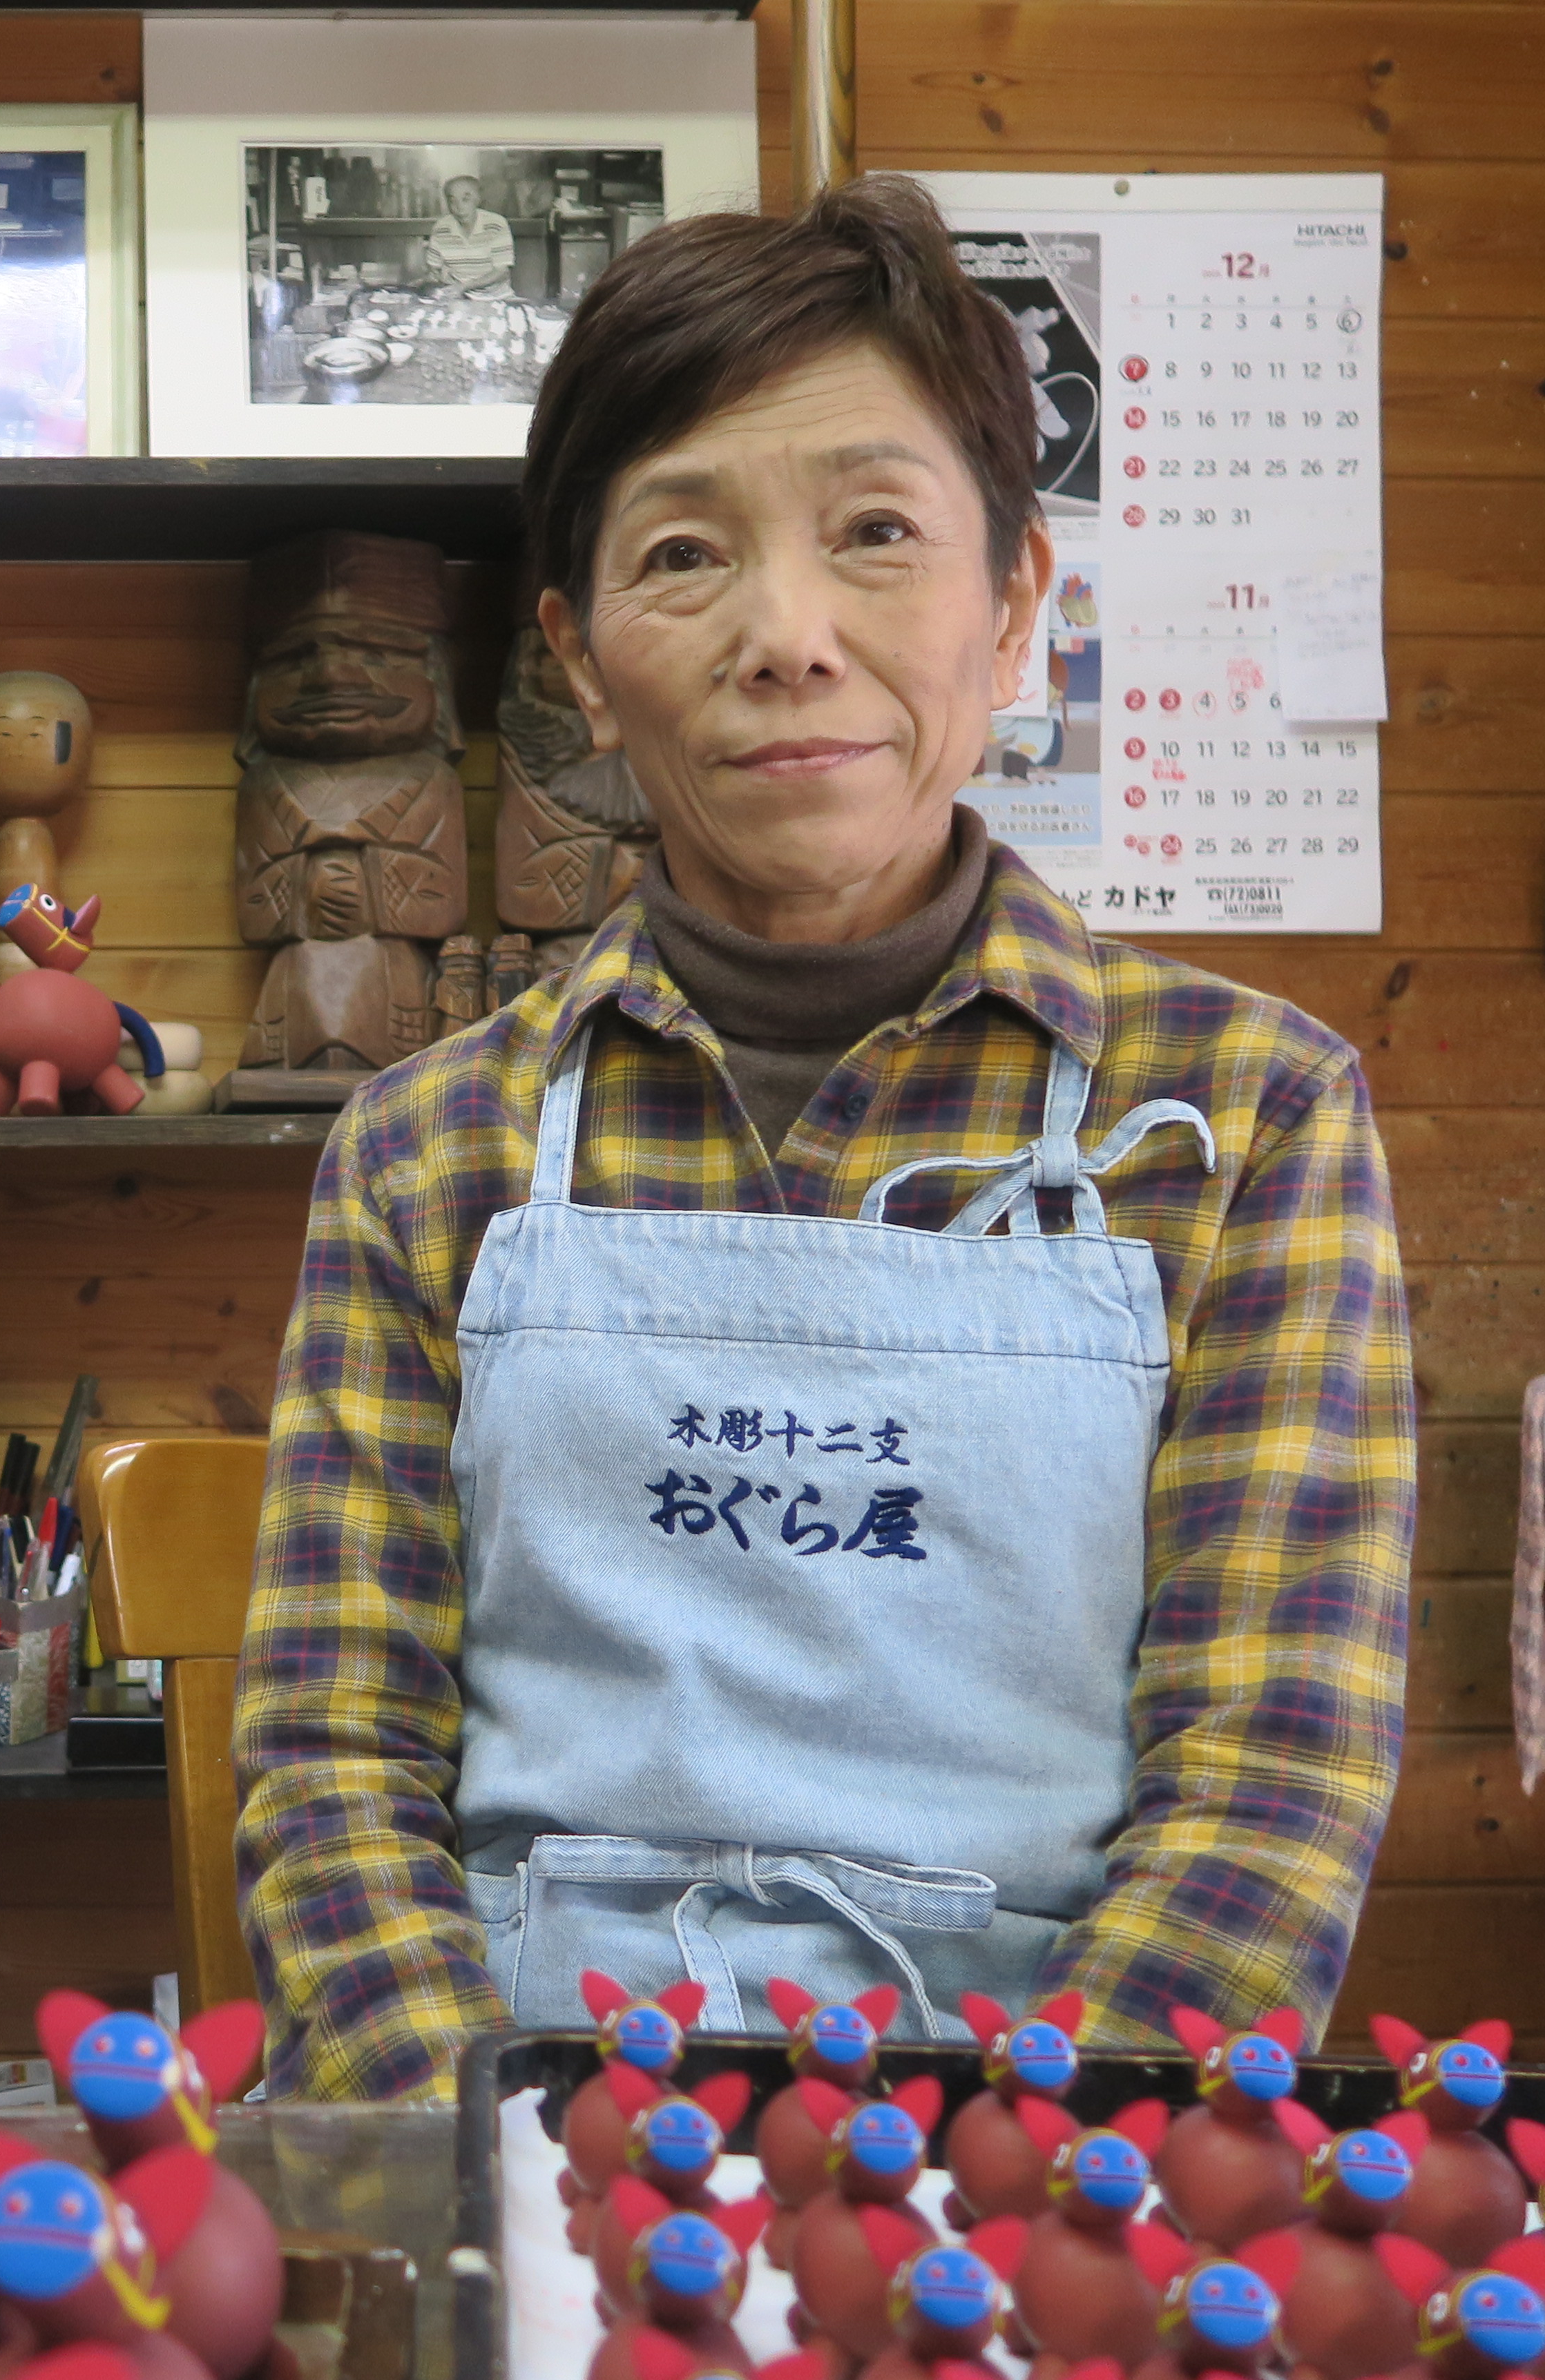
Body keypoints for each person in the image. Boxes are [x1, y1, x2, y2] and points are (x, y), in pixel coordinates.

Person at [237, 175, 1411, 2099]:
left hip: (1048, 2162)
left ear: (1019, 604)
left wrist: (1030, 2192)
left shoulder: (1245, 1121)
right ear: (582, 656)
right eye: (687, 555)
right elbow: (332, 1766)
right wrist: (499, 2172)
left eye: (878, 533)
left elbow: (1266, 1792)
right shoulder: (424, 1149)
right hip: (516, 2117)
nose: (788, 635)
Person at [419, 174, 520, 299]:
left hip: (496, 297)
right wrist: (430, 279)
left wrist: (465, 286)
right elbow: (434, 271)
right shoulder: (441, 229)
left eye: (465, 199)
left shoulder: (496, 225)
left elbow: (502, 271)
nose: (459, 207)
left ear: (478, 199)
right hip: (457, 298)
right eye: (452, 201)